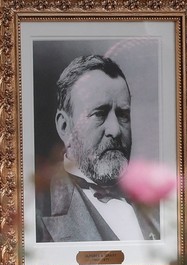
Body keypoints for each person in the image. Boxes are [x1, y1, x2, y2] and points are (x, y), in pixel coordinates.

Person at [35, 54, 159, 242]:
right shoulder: (34, 209)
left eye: (123, 114)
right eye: (99, 114)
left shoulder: (159, 206)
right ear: (64, 127)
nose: (115, 130)